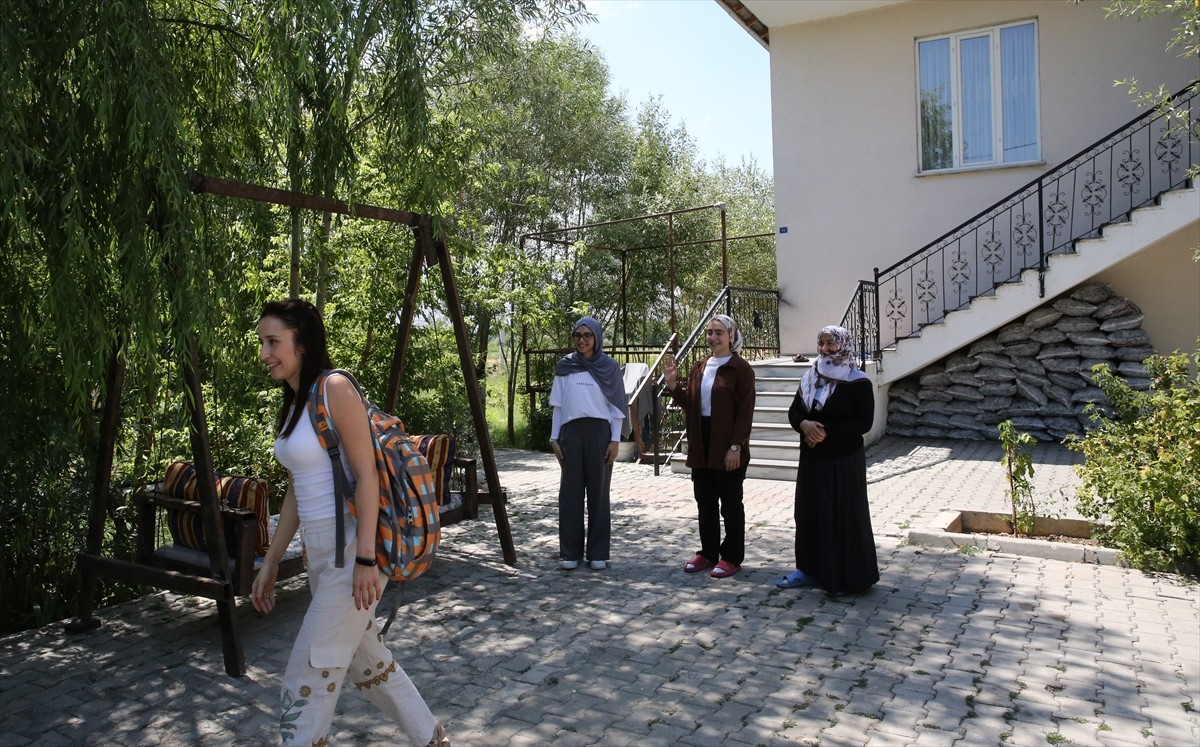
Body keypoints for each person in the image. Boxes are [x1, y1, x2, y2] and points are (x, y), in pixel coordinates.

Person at [251, 298, 449, 747]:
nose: (264, 353)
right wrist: (271, 562)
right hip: (319, 552)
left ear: (302, 343)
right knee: (367, 663)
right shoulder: (295, 402)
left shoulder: (334, 387)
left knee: (306, 678)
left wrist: (365, 560)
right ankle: (431, 738)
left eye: (273, 342)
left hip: (350, 552)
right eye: (263, 342)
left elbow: (367, 476)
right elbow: (297, 489)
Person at [778, 325, 879, 595]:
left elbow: (863, 422)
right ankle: (808, 570)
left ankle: (845, 577)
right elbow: (794, 412)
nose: (824, 349)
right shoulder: (810, 377)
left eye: (830, 344)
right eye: (821, 343)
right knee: (808, 512)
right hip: (812, 459)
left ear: (843, 345)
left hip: (842, 460)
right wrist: (804, 426)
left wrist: (822, 432)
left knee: (841, 515)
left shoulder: (858, 381)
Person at [663, 314, 756, 578]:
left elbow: (745, 412)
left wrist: (736, 446)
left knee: (730, 503)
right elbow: (692, 405)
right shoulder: (699, 367)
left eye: (719, 333)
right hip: (701, 441)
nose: (713, 338)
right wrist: (672, 385)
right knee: (705, 501)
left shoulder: (741, 370)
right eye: (709, 333)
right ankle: (708, 552)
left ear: (731, 336)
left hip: (727, 441)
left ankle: (732, 557)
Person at [549, 317, 626, 571]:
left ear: (596, 338)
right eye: (577, 335)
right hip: (570, 433)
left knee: (599, 493)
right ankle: (570, 552)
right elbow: (558, 405)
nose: (582, 340)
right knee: (570, 494)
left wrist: (615, 439)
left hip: (600, 434)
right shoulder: (565, 366)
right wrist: (554, 438)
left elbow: (617, 407)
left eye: (587, 335)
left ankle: (598, 552)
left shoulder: (609, 367)